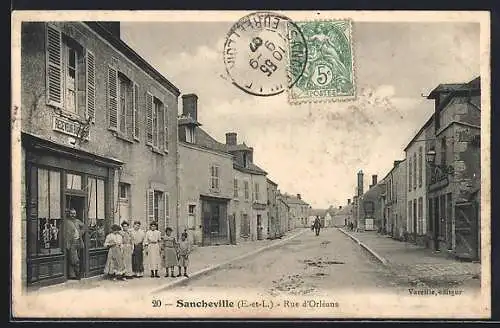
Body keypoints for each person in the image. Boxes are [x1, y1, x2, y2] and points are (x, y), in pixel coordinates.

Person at [64, 208, 86, 280]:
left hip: (78, 242)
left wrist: (81, 233)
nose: (73, 215)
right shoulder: (66, 221)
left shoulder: (77, 221)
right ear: (69, 214)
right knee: (74, 259)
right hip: (71, 243)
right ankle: (77, 274)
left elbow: (85, 227)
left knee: (75, 258)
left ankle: (72, 275)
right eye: (71, 213)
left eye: (74, 213)